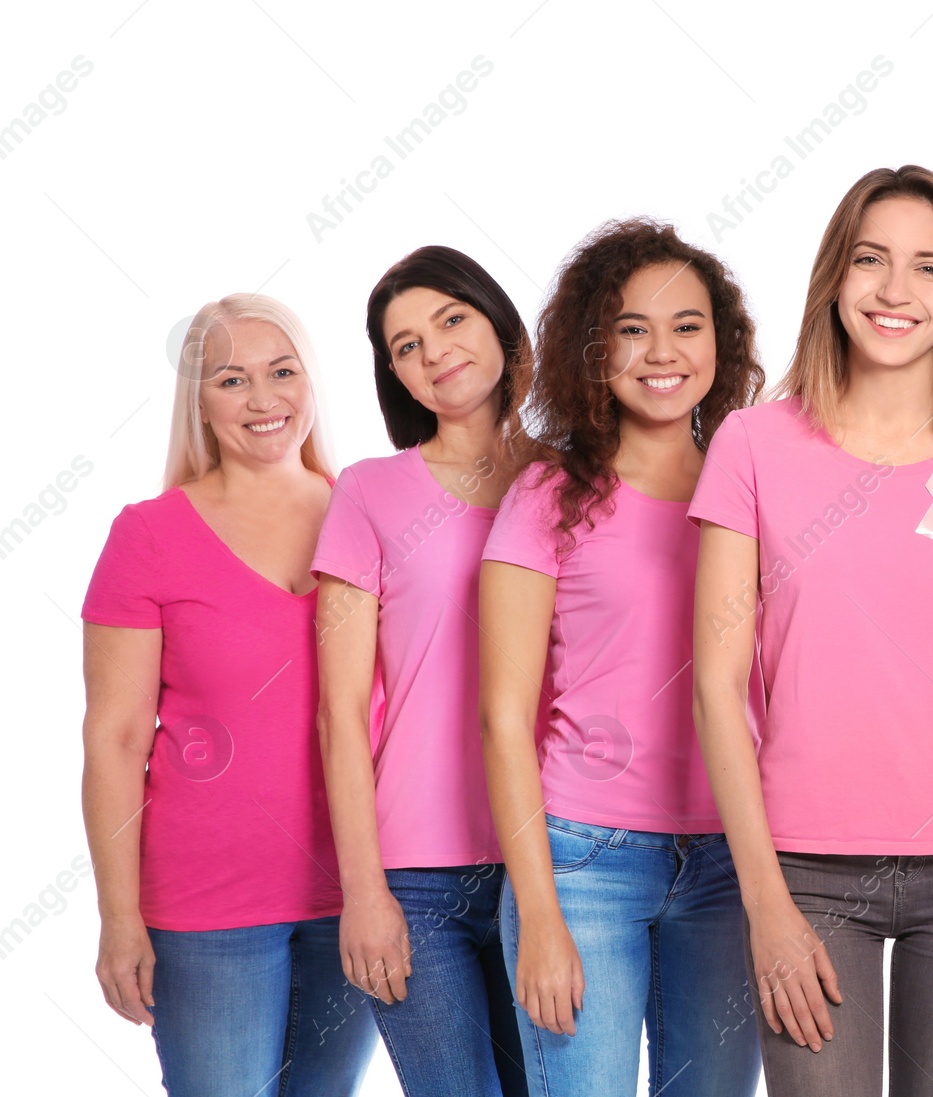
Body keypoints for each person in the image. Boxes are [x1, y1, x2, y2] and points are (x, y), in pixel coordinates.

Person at [689, 165, 933, 1097]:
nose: (895, 291)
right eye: (872, 260)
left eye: (928, 268)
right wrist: (766, 904)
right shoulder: (753, 444)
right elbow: (717, 685)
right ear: (836, 276)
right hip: (805, 870)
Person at [478, 218, 766, 1096]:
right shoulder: (548, 493)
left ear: (721, 343)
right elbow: (501, 714)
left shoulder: (751, 485)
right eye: (631, 329)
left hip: (729, 860)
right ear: (593, 352)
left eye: (687, 326)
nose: (661, 351)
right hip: (583, 862)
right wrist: (537, 913)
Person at [81, 294, 376, 1096]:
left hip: (359, 891)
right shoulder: (149, 534)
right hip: (207, 904)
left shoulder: (370, 511)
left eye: (283, 372)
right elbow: (113, 738)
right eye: (231, 380)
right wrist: (118, 915)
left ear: (311, 383)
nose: (263, 399)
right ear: (200, 405)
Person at [311, 246, 530, 1096]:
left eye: (450, 320)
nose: (433, 351)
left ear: (500, 326)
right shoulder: (368, 493)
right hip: (414, 874)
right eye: (405, 346)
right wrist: (363, 890)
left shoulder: (568, 483)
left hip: (549, 862)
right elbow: (337, 710)